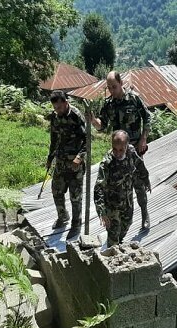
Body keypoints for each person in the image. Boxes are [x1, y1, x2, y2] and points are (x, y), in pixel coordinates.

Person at [88, 70, 153, 229]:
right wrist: (93, 120)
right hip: (118, 152)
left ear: (121, 84)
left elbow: (148, 117)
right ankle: (122, 221)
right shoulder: (109, 104)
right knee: (120, 186)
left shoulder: (134, 99)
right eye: (109, 88)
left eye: (114, 87)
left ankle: (145, 213)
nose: (112, 90)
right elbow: (102, 125)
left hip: (134, 149)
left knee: (138, 182)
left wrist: (144, 138)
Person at [94, 130, 150, 247]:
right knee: (113, 237)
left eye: (121, 150)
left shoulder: (131, 151)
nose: (118, 153)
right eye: (115, 149)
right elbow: (99, 188)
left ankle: (118, 242)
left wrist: (146, 179)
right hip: (112, 206)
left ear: (126, 146)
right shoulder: (107, 164)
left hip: (127, 202)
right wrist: (102, 212)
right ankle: (112, 253)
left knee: (127, 225)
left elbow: (139, 164)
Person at [46, 90, 86, 230]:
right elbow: (54, 138)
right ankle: (62, 216)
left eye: (59, 107)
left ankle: (76, 223)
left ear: (66, 103)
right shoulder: (55, 117)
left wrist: (79, 157)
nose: (57, 111)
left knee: (75, 196)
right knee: (56, 190)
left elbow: (87, 141)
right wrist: (50, 158)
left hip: (75, 164)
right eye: (55, 108)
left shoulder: (76, 116)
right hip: (61, 161)